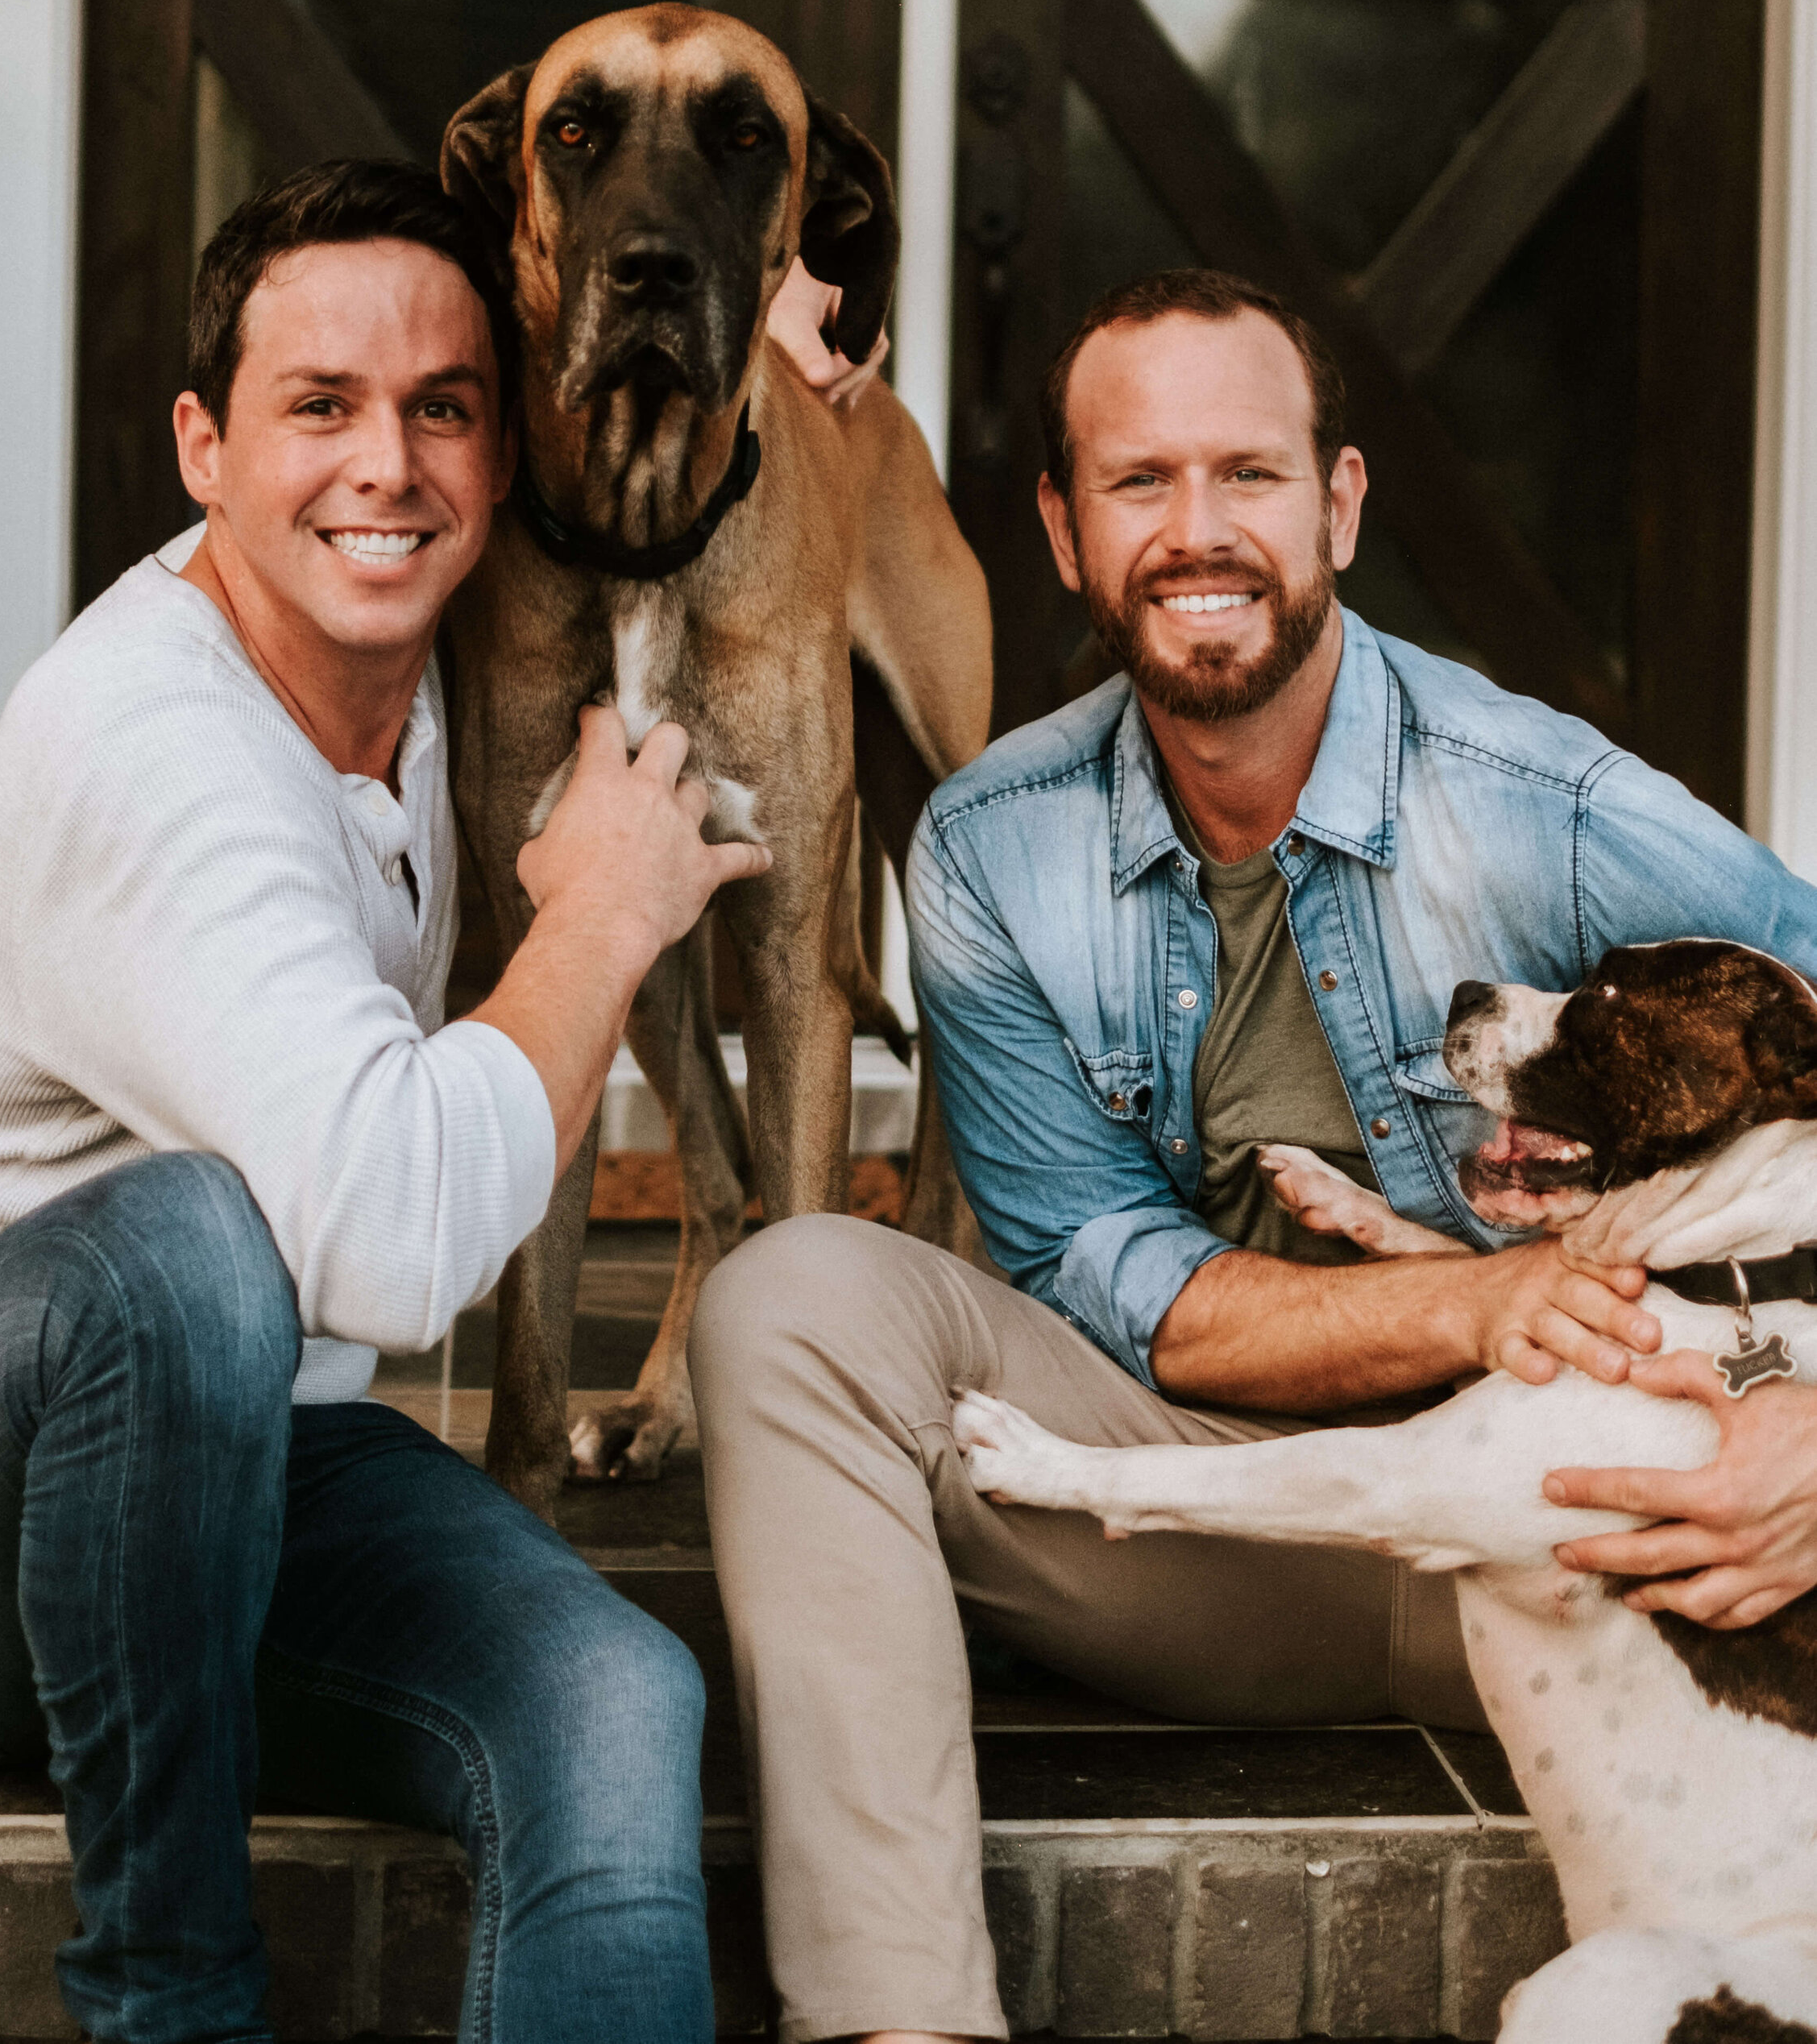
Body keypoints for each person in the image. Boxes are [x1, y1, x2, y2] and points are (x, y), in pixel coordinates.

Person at [687, 265, 1817, 2044]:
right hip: (1219, 1532)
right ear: (1061, 533)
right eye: (1137, 484)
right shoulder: (991, 850)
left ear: (1340, 504)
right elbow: (1120, 1290)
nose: (1195, 531)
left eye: (1249, 475)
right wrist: (1483, 1302)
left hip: (1597, 1564)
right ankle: (903, 2023)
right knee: (790, 1297)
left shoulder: (1552, 805)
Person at [0, 160, 776, 2044]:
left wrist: (797, 321)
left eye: (441, 408)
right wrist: (604, 913)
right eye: (315, 408)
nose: (385, 465)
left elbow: (570, 267)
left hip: (240, 1466)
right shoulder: (149, 741)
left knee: (612, 1693)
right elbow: (399, 1239)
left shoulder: (404, 664)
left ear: (503, 444)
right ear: (201, 445)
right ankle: (170, 2003)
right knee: (189, 1240)